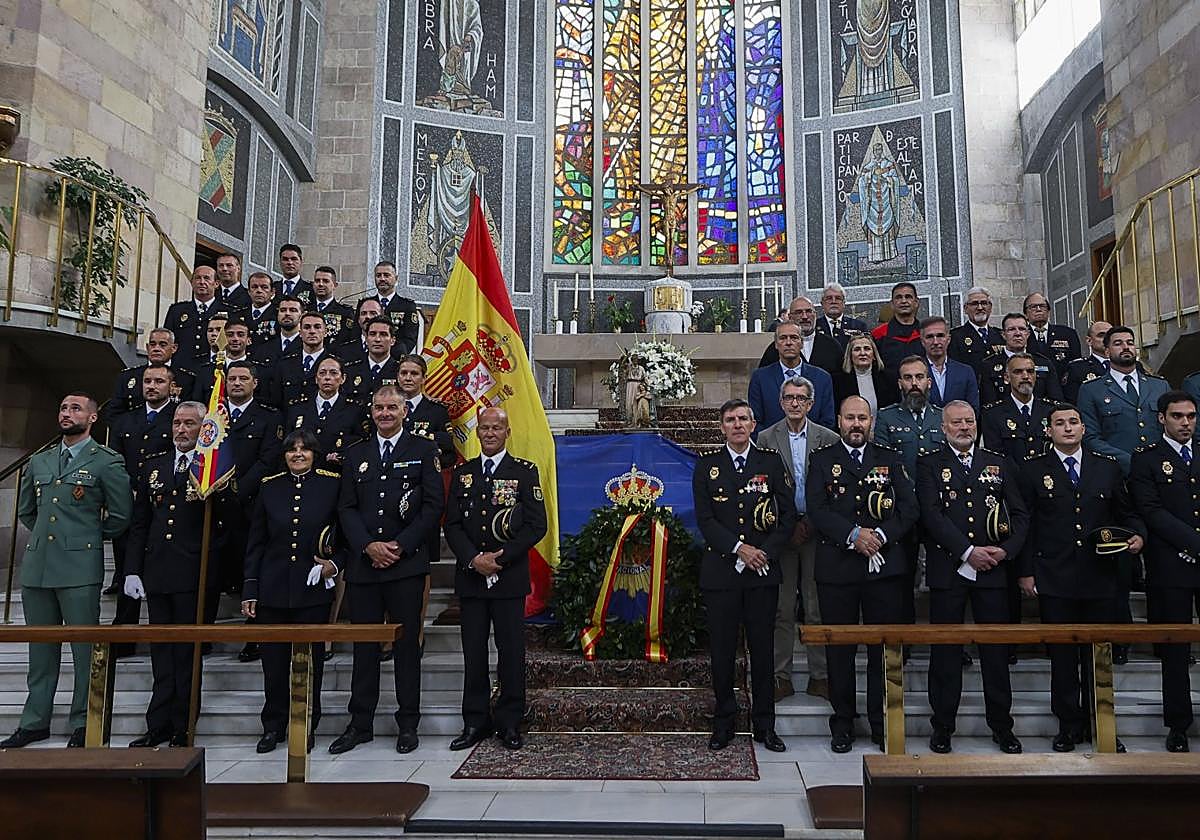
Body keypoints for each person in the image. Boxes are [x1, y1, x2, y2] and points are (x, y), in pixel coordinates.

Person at [0, 393, 132, 749]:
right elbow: (28, 511)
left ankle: (83, 720)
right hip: (39, 566)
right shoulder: (40, 461)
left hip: (78, 566)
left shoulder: (106, 461)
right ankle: (34, 721)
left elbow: (120, 516)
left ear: (92, 418)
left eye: (75, 408)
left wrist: (84, 538)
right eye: (62, 407)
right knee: (40, 651)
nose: (66, 413)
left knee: (84, 650)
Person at [1017, 403, 1145, 753]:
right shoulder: (1032, 470)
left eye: (1074, 422)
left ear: (1084, 429)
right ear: (1049, 431)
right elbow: (1025, 525)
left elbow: (1126, 511)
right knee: (1062, 658)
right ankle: (1069, 726)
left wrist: (1137, 534)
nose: (1068, 428)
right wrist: (1026, 571)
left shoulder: (1107, 468)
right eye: (1060, 423)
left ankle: (1101, 723)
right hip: (1054, 575)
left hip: (1100, 576)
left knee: (1098, 656)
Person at [331, 385, 443, 755]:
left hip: (405, 565)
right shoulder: (355, 454)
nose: (384, 413)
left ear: (404, 411)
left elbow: (432, 506)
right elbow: (346, 507)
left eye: (392, 407)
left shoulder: (424, 451)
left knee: (406, 648)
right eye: (379, 407)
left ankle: (408, 723)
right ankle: (359, 722)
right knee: (364, 649)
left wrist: (400, 545)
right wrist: (368, 546)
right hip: (364, 567)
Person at [807, 395, 918, 753]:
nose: (857, 424)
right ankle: (842, 723)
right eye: (850, 418)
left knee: (880, 650)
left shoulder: (889, 458)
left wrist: (880, 536)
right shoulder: (822, 460)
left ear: (871, 422)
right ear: (838, 421)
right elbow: (817, 510)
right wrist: (854, 536)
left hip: (883, 570)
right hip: (837, 569)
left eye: (863, 418)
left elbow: (908, 508)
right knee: (839, 651)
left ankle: (880, 721)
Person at [917, 401, 1028, 755]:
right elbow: (932, 516)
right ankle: (942, 727)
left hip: (994, 571)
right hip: (949, 570)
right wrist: (968, 551)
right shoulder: (929, 463)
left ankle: (1002, 726)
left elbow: (1021, 514)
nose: (964, 427)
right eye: (956, 422)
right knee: (946, 652)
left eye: (969, 421)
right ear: (943, 426)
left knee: (995, 652)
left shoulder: (999, 463)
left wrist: (1005, 551)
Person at [692, 399, 796, 752]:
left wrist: (763, 551)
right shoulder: (708, 466)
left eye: (743, 419)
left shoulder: (770, 462)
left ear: (754, 425)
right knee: (722, 652)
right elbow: (705, 520)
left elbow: (786, 516)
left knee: (763, 652)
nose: (737, 425)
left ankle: (765, 725)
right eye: (730, 420)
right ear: (721, 427)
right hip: (722, 573)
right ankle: (724, 722)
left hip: (762, 572)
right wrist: (740, 549)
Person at [444, 408, 547, 752]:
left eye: (496, 428)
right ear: (478, 433)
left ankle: (509, 721)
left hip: (508, 577)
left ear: (507, 431)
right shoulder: (464, 474)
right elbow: (453, 525)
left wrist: (499, 558)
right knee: (473, 653)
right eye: (485, 428)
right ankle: (475, 721)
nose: (489, 433)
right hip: (471, 578)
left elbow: (536, 525)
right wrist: (474, 559)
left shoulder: (524, 472)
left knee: (511, 652)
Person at [123, 401, 225, 747]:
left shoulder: (209, 468)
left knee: (186, 655)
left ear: (203, 429)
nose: (181, 430)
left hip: (192, 574)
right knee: (161, 653)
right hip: (158, 573)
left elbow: (227, 525)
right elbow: (140, 523)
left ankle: (183, 724)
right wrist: (132, 570)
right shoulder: (155, 466)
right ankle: (158, 724)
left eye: (190, 424)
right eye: (177, 423)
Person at [241, 429, 340, 754]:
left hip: (312, 588)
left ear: (315, 453)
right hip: (272, 587)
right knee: (274, 663)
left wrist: (333, 564)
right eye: (292, 450)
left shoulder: (330, 484)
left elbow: (344, 533)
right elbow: (255, 542)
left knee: (310, 661)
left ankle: (306, 723)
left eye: (305, 450)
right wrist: (250, 589)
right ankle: (273, 725)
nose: (298, 454)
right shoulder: (270, 487)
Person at [756, 376, 839, 701]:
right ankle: (780, 675)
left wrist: (814, 521)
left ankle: (821, 676)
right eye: (789, 397)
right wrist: (786, 525)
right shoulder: (764, 438)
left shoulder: (828, 438)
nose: (794, 403)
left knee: (817, 605)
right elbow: (763, 488)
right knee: (783, 606)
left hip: (818, 532)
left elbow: (833, 490)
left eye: (801, 398)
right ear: (781, 402)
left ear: (810, 403)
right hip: (782, 534)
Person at [1129, 391, 1200, 752]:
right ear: (1162, 419)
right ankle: (1178, 725)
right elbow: (1151, 511)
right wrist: (1195, 544)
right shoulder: (1146, 460)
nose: (1185, 423)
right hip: (1171, 565)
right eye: (1177, 416)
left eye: (1190, 416)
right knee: (1175, 651)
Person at [108, 366, 177, 650]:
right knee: (128, 564)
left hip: (165, 503)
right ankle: (126, 630)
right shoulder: (125, 421)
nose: (152, 386)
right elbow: (114, 460)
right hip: (130, 501)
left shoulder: (178, 418)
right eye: (147, 381)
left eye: (159, 381)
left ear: (171, 387)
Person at [220, 361, 284, 662]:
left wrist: (238, 489)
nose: (236, 383)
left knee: (253, 568)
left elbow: (269, 459)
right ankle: (203, 633)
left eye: (243, 378)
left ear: (254, 383)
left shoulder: (268, 417)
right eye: (232, 378)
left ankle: (254, 633)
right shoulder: (213, 415)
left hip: (252, 503)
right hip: (215, 505)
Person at [1077, 325, 1170, 474]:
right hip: (1117, 472)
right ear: (1107, 351)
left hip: (1160, 470)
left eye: (1130, 343)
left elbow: (1171, 428)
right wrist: (1127, 460)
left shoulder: (1159, 386)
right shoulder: (1091, 390)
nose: (1125, 347)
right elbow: (1090, 437)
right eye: (1118, 343)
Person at [285, 356, 370, 472]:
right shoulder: (297, 408)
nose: (327, 377)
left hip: (337, 475)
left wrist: (341, 457)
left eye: (333, 373)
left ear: (343, 378)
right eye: (322, 373)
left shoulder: (355, 410)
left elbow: (360, 445)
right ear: (316, 378)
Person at [748, 322, 835, 430]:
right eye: (783, 338)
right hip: (771, 445)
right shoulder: (760, 378)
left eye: (794, 338)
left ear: (802, 343)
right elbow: (754, 422)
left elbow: (828, 421)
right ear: (776, 344)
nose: (788, 342)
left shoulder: (822, 378)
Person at [980, 353, 1055, 464]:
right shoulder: (992, 414)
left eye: (1030, 371)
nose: (1025, 376)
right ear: (1006, 377)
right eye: (1018, 372)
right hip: (1011, 478)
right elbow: (995, 457)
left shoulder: (1050, 410)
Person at [106, 328, 195, 422]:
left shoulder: (187, 379)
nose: (156, 348)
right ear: (147, 347)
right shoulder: (127, 376)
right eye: (153, 344)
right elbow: (114, 413)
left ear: (174, 348)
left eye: (162, 345)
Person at [874, 356, 945, 472]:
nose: (914, 383)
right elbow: (883, 462)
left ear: (929, 382)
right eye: (908, 378)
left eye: (919, 377)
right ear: (900, 384)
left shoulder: (942, 416)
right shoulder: (886, 417)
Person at [976, 313, 1063, 404]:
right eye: (1011, 329)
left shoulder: (1044, 363)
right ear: (1003, 335)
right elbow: (988, 403)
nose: (1017, 333)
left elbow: (1055, 400)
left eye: (1022, 329)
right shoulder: (989, 365)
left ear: (1028, 334)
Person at [759, 296, 843, 374]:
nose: (805, 317)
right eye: (799, 312)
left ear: (815, 315)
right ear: (790, 317)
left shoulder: (832, 345)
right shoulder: (775, 349)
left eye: (809, 311)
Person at [267, 311, 332, 410]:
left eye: (317, 327)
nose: (312, 331)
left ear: (325, 332)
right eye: (307, 327)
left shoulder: (334, 363)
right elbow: (276, 400)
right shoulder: (284, 364)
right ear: (300, 333)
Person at [164, 264, 220, 370]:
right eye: (197, 278)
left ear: (216, 284)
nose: (202, 282)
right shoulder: (177, 310)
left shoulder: (227, 311)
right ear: (192, 282)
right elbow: (168, 342)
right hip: (181, 369)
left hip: (211, 370)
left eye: (207, 278)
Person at [921, 316, 980, 413]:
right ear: (922, 341)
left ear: (948, 339)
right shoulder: (914, 372)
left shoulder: (965, 372)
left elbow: (973, 410)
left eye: (940, 336)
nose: (935, 342)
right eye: (930, 337)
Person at [832, 333, 899, 414]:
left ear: (874, 355)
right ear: (850, 355)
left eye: (867, 349)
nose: (862, 353)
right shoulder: (838, 381)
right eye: (857, 349)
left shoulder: (889, 378)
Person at [191, 316, 253, 402]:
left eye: (240, 335)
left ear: (249, 340)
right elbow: (197, 402)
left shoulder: (258, 369)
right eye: (230, 335)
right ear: (223, 339)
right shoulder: (206, 371)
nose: (235, 339)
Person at [368, 261, 421, 354]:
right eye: (378, 275)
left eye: (386, 275)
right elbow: (356, 334)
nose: (382, 278)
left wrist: (392, 355)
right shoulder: (366, 304)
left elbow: (410, 338)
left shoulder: (407, 306)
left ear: (396, 279)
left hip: (394, 358)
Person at [345, 317, 402, 401]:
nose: (377, 339)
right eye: (372, 334)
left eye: (383, 334)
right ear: (366, 339)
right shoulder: (351, 370)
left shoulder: (400, 371)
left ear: (392, 341)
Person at [1024, 292, 1082, 375]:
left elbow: (1076, 364)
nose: (1038, 309)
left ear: (1048, 312)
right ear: (1026, 314)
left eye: (1042, 306)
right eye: (1033, 307)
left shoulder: (1067, 334)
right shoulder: (1022, 335)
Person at [948, 287, 1004, 371]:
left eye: (984, 303)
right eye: (974, 304)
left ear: (990, 307)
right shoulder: (955, 337)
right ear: (965, 309)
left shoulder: (1000, 335)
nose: (980, 307)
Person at [870, 282, 922, 372]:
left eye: (908, 297)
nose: (904, 301)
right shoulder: (878, 334)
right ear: (892, 304)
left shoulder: (925, 333)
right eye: (898, 297)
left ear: (916, 302)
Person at [1062, 320, 1112, 403]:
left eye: (1110, 335)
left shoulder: (1132, 365)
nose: (1107, 340)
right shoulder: (1077, 368)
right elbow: (1073, 401)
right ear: (1089, 341)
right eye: (1101, 335)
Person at [816, 282, 868, 350]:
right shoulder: (815, 327)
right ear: (822, 303)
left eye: (838, 298)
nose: (833, 301)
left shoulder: (859, 327)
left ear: (844, 303)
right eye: (829, 298)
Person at [335, 297, 386, 361]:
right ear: (358, 319)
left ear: (382, 317)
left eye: (373, 313)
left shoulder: (393, 348)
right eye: (363, 313)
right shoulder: (343, 350)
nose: (367, 317)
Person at [247, 271, 279, 344]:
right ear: (248, 291)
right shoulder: (239, 314)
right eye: (254, 287)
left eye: (264, 287)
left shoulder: (278, 315)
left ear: (272, 292)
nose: (259, 291)